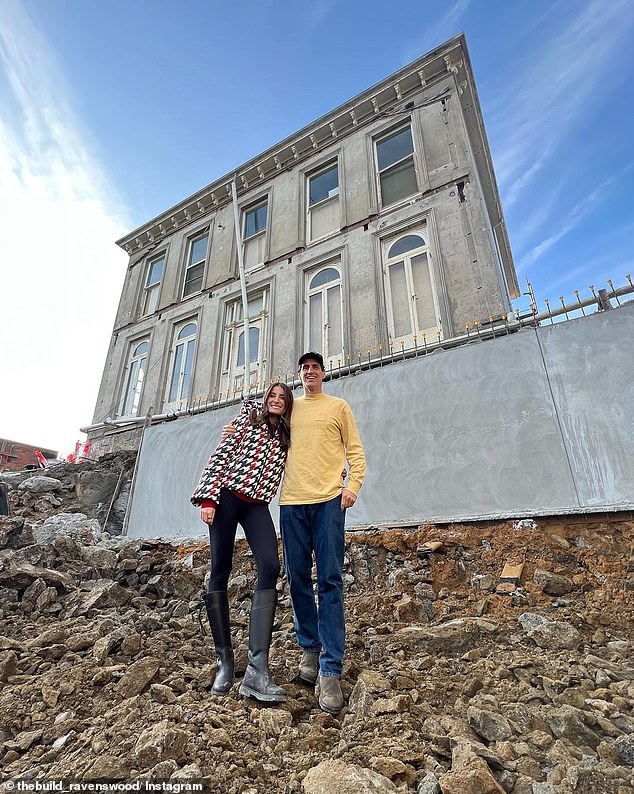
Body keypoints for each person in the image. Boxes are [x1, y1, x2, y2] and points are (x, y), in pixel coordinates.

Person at [191, 382, 293, 702]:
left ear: (288, 405)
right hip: (226, 498)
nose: (276, 401)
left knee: (270, 564)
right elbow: (222, 453)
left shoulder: (288, 435)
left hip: (256, 505)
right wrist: (208, 498)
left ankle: (257, 667)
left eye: (282, 398)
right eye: (272, 396)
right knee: (220, 567)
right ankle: (224, 661)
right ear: (266, 401)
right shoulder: (247, 419)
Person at [279, 352, 366, 715]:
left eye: (315, 367)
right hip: (292, 503)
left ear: (323, 373)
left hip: (330, 501)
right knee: (298, 579)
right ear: (299, 376)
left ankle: (330, 668)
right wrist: (233, 431)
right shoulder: (290, 410)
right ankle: (310, 649)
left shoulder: (338, 407)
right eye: (304, 368)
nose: (309, 372)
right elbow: (259, 432)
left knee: (329, 580)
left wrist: (353, 486)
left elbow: (356, 451)